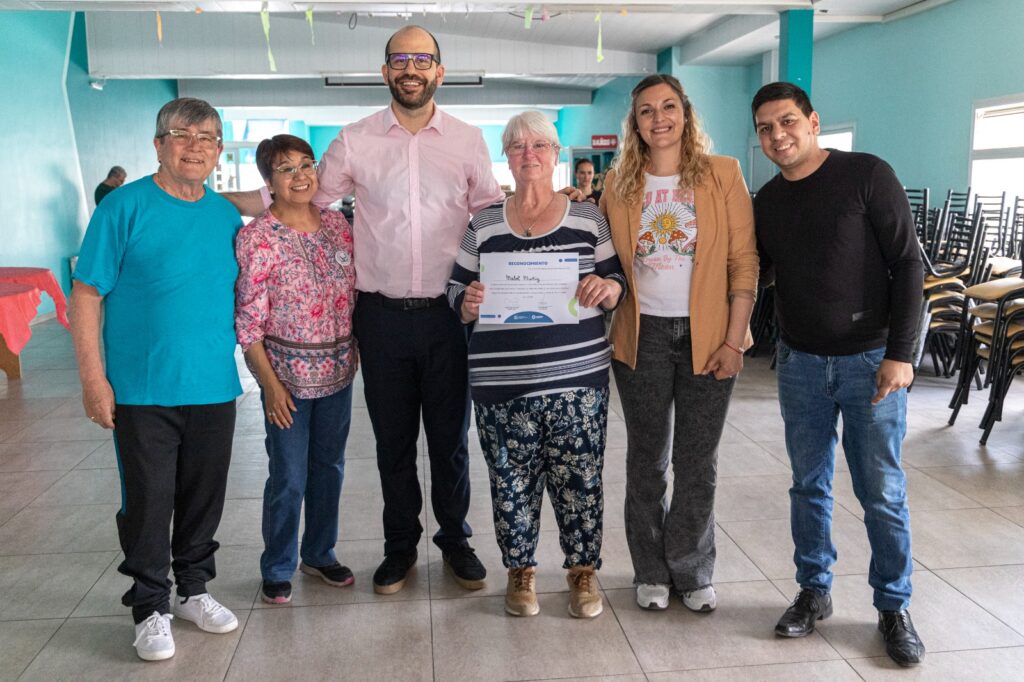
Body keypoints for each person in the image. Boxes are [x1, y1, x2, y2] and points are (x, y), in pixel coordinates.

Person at [225, 26, 503, 595]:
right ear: (385, 72)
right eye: (400, 59)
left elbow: (493, 216)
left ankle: (456, 541)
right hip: (381, 320)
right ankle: (400, 547)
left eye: (422, 60)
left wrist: (553, 206)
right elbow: (296, 197)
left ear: (439, 71)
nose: (410, 69)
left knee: (450, 440)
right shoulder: (354, 141)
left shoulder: (468, 140)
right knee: (392, 443)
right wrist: (204, 201)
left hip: (451, 316)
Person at [751, 81, 925, 667]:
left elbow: (908, 265)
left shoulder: (866, 174)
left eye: (787, 122)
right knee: (809, 485)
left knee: (881, 491)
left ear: (813, 121)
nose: (778, 135)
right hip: (800, 363)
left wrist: (901, 353)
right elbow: (756, 270)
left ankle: (894, 606)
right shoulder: (768, 201)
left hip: (871, 362)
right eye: (765, 128)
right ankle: (813, 590)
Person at [70, 98, 241, 662]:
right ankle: (149, 607)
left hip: (214, 384)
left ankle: (193, 590)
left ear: (219, 150)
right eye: (182, 134)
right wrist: (94, 379)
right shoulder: (123, 207)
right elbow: (86, 294)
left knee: (203, 497)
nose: (195, 146)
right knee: (148, 502)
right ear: (159, 144)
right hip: (142, 390)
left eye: (207, 137)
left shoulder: (223, 216)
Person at [447, 111, 626, 618]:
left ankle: (582, 572)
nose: (529, 154)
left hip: (577, 380)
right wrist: (467, 303)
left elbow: (617, 280)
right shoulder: (483, 223)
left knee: (580, 481)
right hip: (501, 384)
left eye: (540, 145)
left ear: (555, 153)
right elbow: (455, 288)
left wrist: (607, 288)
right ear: (506, 156)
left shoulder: (587, 219)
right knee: (510, 484)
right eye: (518, 145)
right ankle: (520, 572)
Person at [601, 74, 758, 613]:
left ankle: (691, 569)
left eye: (669, 107)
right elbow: (601, 254)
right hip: (641, 336)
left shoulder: (722, 174)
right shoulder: (618, 183)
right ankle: (650, 570)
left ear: (686, 114)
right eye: (646, 110)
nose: (659, 118)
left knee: (697, 462)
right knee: (647, 461)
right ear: (635, 123)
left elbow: (744, 262)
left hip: (709, 335)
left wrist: (734, 341)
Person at [234, 135, 357, 605]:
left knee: (329, 468)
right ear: (268, 182)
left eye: (307, 164)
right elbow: (248, 323)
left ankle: (320, 553)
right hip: (286, 381)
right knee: (288, 475)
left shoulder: (337, 225)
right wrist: (269, 387)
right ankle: (278, 564)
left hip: (338, 377)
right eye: (286, 169)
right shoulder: (257, 237)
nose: (301, 176)